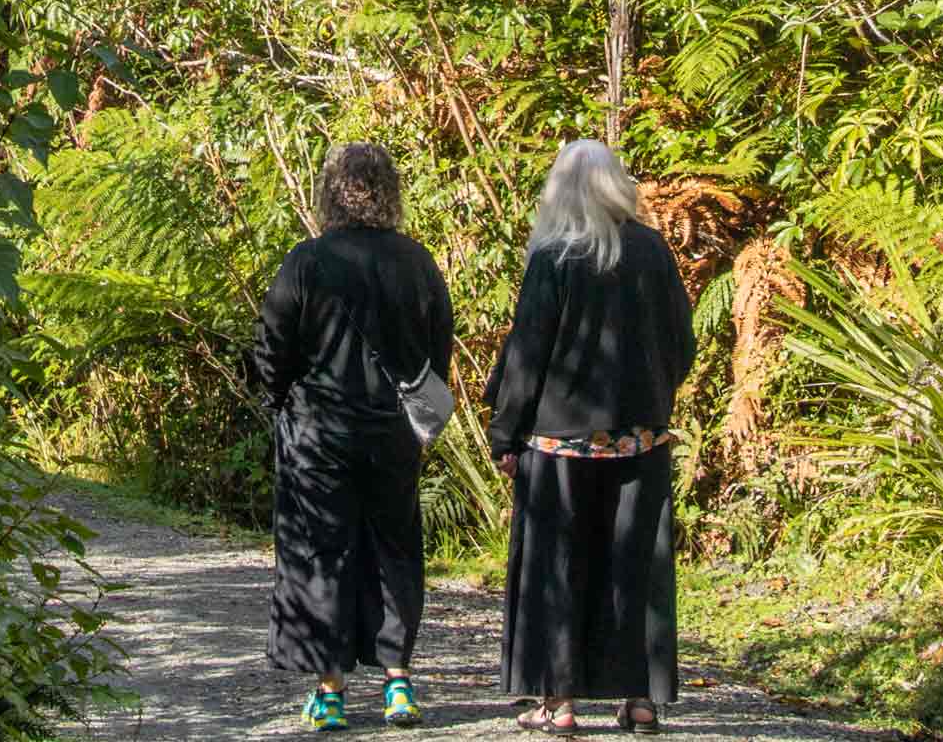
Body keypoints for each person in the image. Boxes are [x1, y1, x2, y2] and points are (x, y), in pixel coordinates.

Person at [484, 139, 696, 736]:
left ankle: (561, 702)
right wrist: (653, 397)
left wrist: (507, 433)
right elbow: (682, 343)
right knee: (634, 568)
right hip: (640, 441)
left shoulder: (554, 256)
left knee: (559, 568)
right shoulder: (653, 251)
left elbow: (527, 356)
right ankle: (641, 700)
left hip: (558, 445)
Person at [249, 142, 454, 732]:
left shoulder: (307, 261)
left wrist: (284, 397)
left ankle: (330, 688)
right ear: (389, 191)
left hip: (319, 433)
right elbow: (436, 352)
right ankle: (398, 683)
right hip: (392, 431)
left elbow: (272, 348)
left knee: (324, 552)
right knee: (394, 549)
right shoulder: (418, 262)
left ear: (328, 191)